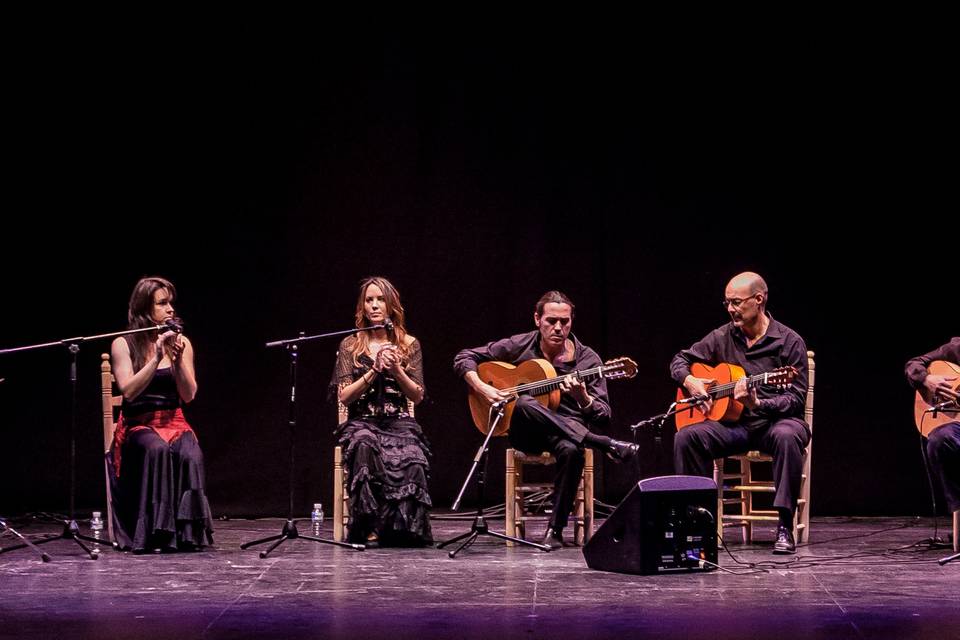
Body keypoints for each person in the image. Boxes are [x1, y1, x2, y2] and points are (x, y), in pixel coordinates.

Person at [454, 290, 638, 550]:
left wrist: (583, 398)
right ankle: (603, 444)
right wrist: (483, 388)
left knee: (572, 450)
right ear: (537, 319)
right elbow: (464, 357)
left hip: (566, 435)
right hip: (526, 431)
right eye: (551, 321)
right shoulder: (521, 345)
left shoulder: (588, 360)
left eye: (565, 321)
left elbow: (604, 414)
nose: (558, 327)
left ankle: (555, 530)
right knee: (526, 402)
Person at [670, 272, 809, 554]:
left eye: (736, 302)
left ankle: (784, 525)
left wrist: (758, 405)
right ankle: (698, 525)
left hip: (774, 423)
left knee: (788, 436)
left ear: (758, 300)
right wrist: (690, 381)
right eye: (727, 303)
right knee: (686, 438)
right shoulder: (722, 336)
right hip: (735, 425)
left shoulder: (789, 342)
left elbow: (795, 398)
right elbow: (680, 359)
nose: (731, 309)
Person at [108, 276, 214, 552]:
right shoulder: (123, 344)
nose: (170, 309)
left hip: (174, 421)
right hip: (138, 425)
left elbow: (189, 395)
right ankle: (154, 534)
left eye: (171, 303)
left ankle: (187, 535)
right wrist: (156, 358)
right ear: (145, 308)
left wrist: (177, 361)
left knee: (191, 455)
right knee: (155, 449)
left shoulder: (182, 343)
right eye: (162, 303)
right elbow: (129, 392)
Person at [331, 276, 433, 547]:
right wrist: (374, 369)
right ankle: (367, 527)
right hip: (362, 421)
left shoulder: (410, 344)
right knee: (365, 445)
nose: (375, 305)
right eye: (369, 300)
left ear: (391, 305)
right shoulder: (350, 346)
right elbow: (344, 395)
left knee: (413, 455)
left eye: (380, 299)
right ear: (362, 306)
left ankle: (401, 528)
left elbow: (417, 396)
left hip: (398, 421)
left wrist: (396, 369)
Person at [905, 337, 960, 523]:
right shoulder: (957, 348)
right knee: (939, 440)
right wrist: (926, 379)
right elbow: (914, 364)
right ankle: (959, 512)